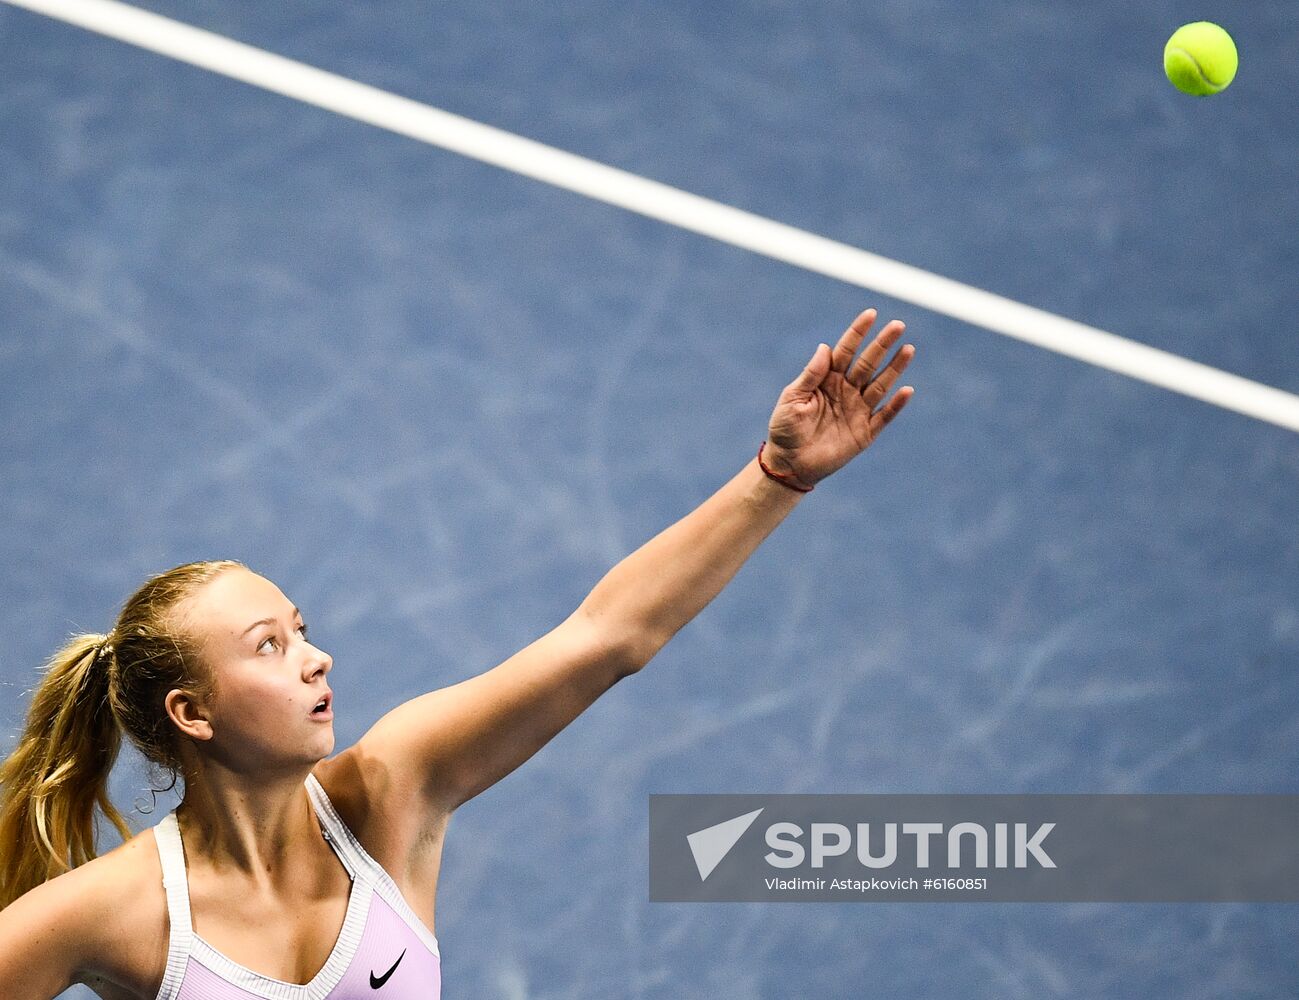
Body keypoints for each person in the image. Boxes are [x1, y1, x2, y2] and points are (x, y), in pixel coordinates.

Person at [0, 307, 914, 1000]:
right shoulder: (115, 914)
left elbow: (606, 638)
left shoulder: (398, 786)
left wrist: (778, 476)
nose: (316, 661)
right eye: (269, 647)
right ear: (191, 713)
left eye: (303, 631)